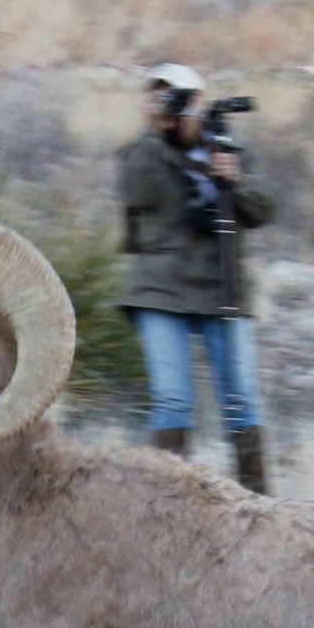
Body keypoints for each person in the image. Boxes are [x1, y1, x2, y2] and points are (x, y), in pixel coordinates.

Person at [118, 62, 277, 493]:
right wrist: (156, 130)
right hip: (160, 287)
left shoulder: (229, 148)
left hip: (224, 287)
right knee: (172, 398)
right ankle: (167, 503)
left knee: (241, 399)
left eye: (176, 96)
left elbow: (265, 209)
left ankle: (259, 503)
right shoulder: (143, 151)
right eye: (157, 95)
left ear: (197, 101)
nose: (166, 104)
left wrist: (235, 180)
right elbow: (135, 192)